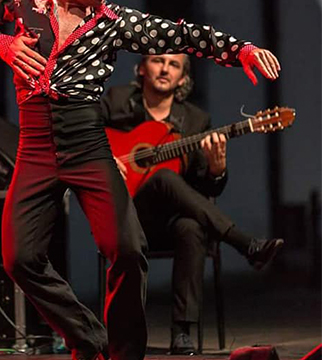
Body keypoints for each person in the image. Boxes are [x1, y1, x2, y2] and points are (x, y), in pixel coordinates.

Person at [0, 0, 280, 360]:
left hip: (86, 142)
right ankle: (89, 338)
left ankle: (124, 355)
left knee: (127, 248)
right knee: (19, 258)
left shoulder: (112, 22)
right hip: (36, 145)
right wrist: (3, 45)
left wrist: (238, 50)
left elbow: (177, 34)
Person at [101, 53, 284, 354]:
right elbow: (85, 136)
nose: (165, 69)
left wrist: (217, 169)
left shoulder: (197, 121)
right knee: (162, 178)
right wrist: (105, 161)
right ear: (142, 68)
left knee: (191, 226)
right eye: (158, 61)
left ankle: (182, 333)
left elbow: (204, 190)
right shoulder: (116, 100)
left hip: (170, 221)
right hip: (127, 215)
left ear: (183, 79)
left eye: (174, 65)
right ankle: (244, 243)